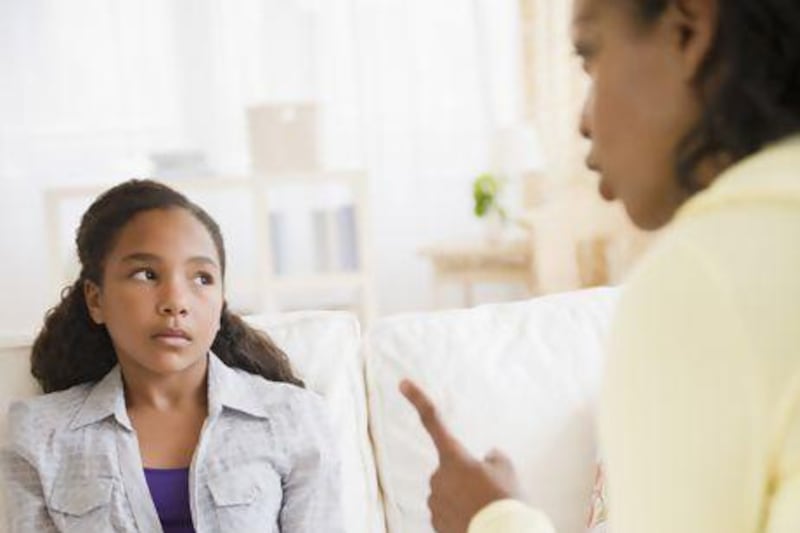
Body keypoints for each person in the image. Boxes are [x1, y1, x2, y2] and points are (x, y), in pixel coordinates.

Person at [401, 0, 800, 531]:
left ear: (688, 31)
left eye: (592, 58)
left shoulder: (704, 280)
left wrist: (492, 517)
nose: (583, 121)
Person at [0, 180, 343, 532]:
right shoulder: (39, 434)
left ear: (221, 300)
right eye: (146, 274)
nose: (176, 301)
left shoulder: (295, 419)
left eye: (202, 278)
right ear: (95, 299)